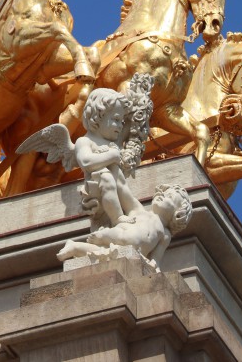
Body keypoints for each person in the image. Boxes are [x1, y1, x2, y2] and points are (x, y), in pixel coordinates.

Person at [58, 183, 192, 269]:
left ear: (177, 214)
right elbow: (123, 190)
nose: (161, 195)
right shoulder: (139, 211)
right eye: (162, 193)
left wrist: (153, 268)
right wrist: (114, 169)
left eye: (169, 197)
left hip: (133, 249)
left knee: (104, 252)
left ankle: (75, 247)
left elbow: (156, 259)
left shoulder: (166, 234)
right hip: (121, 232)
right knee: (119, 238)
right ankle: (104, 235)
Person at [75, 88, 142, 227]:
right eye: (116, 119)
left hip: (114, 191)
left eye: (122, 121)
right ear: (97, 116)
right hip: (94, 189)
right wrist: (111, 155)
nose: (120, 125)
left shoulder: (111, 144)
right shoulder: (84, 141)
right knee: (105, 176)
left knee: (115, 175)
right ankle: (117, 217)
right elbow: (86, 162)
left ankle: (132, 207)